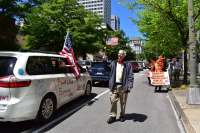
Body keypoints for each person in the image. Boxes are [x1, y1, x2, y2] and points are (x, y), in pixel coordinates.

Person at [107, 50, 134, 124]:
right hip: (114, 85)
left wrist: (129, 85)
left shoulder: (128, 65)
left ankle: (122, 115)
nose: (119, 55)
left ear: (124, 56)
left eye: (121, 54)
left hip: (123, 86)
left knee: (123, 102)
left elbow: (130, 76)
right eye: (118, 54)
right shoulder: (113, 63)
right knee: (113, 100)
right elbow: (107, 68)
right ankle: (113, 116)